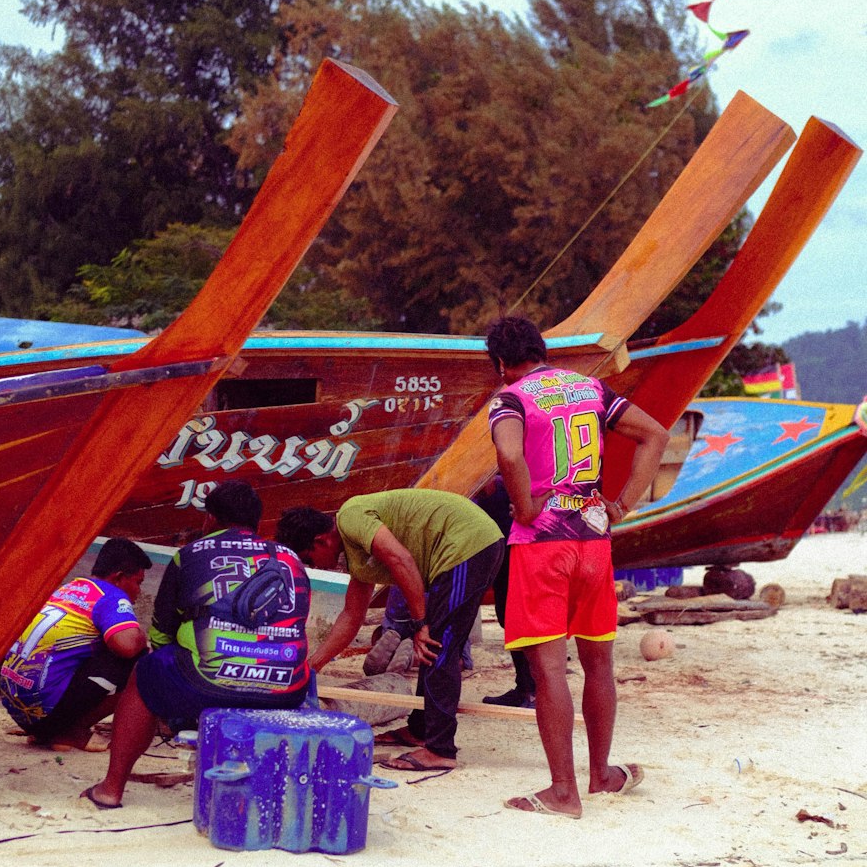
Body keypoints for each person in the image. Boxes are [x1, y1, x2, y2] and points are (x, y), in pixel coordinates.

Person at [485, 315, 669, 817]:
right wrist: (624, 504)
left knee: (549, 671)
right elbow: (655, 434)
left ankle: (563, 792)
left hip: (542, 545)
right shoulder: (590, 388)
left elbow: (508, 454)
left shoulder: (511, 397)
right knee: (598, 663)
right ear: (543, 350)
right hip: (594, 538)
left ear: (501, 363)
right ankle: (602, 774)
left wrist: (525, 509)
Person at [82, 481, 311, 809]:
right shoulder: (290, 559)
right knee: (300, 670)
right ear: (258, 523)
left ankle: (111, 789)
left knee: (145, 674)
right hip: (287, 690)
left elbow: (161, 633)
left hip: (208, 681)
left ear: (211, 520)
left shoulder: (189, 555)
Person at [277, 489, 503, 775]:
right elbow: (351, 615)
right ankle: (420, 729)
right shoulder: (356, 553)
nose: (315, 566)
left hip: (468, 542)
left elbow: (402, 560)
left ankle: (440, 750)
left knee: (437, 644)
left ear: (320, 540)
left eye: (310, 559)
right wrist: (313, 665)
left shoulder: (350, 515)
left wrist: (420, 624)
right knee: (434, 646)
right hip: (463, 546)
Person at [0, 537, 151, 751]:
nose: (139, 591)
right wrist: (142, 638)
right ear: (118, 578)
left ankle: (47, 732)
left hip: (19, 710)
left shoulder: (69, 588)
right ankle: (70, 732)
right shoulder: (111, 595)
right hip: (46, 715)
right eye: (138, 582)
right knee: (142, 659)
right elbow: (127, 647)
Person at [472, 474, 537, 709]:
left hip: (521, 550)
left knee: (522, 619)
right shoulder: (484, 493)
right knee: (507, 618)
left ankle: (533, 690)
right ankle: (525, 687)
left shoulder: (506, 484)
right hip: (501, 554)